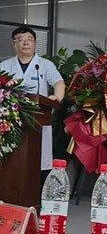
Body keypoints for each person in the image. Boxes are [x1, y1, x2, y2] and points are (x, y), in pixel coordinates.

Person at [0, 26, 65, 172]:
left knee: (38, 161)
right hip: (11, 120)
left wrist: (57, 97)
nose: (25, 43)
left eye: (29, 39)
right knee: (11, 161)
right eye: (20, 39)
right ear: (14, 43)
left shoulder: (45, 65)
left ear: (35, 43)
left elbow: (58, 82)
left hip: (39, 118)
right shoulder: (5, 66)